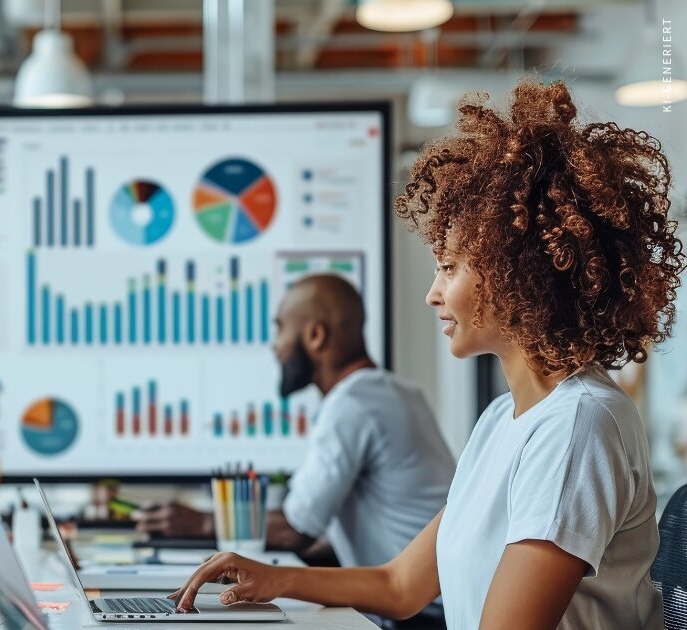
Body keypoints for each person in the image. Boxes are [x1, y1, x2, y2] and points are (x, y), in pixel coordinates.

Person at [170, 79, 677, 630]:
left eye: (450, 267)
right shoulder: (500, 423)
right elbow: (400, 584)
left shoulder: (579, 425)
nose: (433, 292)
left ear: (517, 276)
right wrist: (273, 578)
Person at [141, 275, 456, 622]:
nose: (275, 346)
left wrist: (197, 523)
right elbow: (332, 534)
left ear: (315, 335)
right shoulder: (394, 392)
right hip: (436, 602)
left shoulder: (352, 404)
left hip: (421, 615)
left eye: (280, 330)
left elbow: (296, 529)